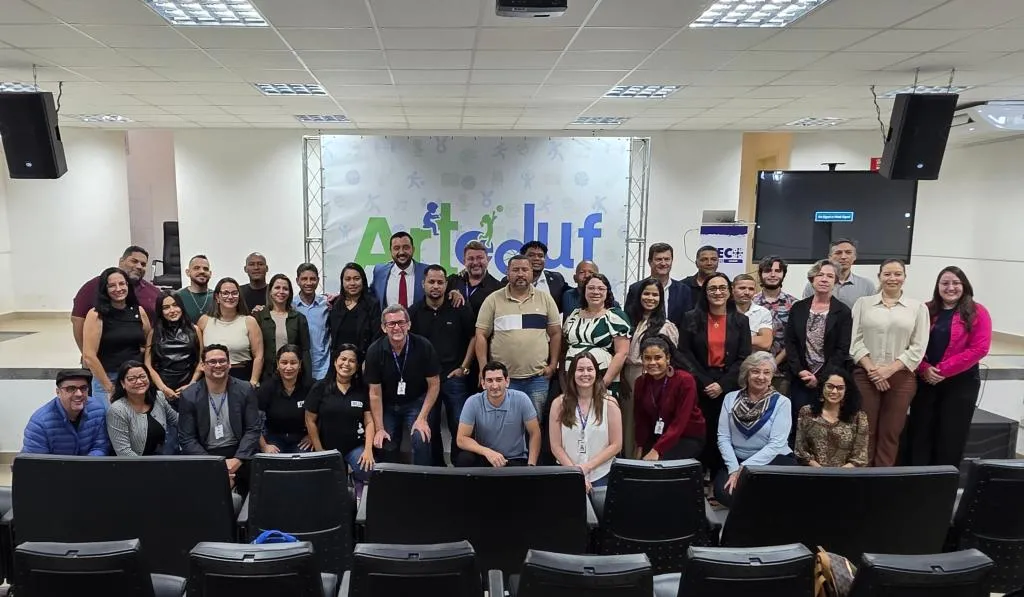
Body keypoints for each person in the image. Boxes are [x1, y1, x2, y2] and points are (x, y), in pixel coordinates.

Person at [907, 266, 992, 467]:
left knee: (951, 437)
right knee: (920, 434)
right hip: (926, 381)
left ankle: (942, 488)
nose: (950, 287)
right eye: (945, 283)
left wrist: (943, 370)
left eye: (956, 283)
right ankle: (916, 486)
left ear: (964, 285)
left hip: (960, 384)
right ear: (937, 286)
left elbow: (980, 348)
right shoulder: (925, 310)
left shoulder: (978, 311)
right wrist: (924, 368)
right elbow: (911, 343)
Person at [850, 259, 930, 467]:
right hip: (866, 375)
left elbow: (918, 347)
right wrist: (873, 371)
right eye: (887, 274)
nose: (892, 278)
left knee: (890, 432)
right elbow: (855, 342)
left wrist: (889, 370)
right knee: (865, 431)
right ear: (879, 276)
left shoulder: (918, 308)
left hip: (901, 377)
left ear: (904, 277)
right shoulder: (863, 304)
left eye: (897, 274)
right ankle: (862, 480)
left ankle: (882, 482)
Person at [677, 272, 752, 479]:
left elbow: (744, 357)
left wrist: (722, 384)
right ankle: (696, 476)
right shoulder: (691, 317)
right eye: (712, 288)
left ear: (729, 292)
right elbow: (683, 353)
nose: (717, 292)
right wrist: (705, 381)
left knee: (724, 433)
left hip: (728, 384)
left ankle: (719, 476)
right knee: (700, 432)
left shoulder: (740, 321)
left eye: (722, 288)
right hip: (699, 383)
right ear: (705, 292)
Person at [475, 254, 562, 421]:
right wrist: (483, 368)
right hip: (503, 380)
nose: (520, 274)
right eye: (515, 270)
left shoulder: (545, 299)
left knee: (534, 425)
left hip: (537, 379)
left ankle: (532, 449)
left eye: (524, 269)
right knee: (504, 423)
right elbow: (480, 335)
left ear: (531, 272)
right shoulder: (493, 300)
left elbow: (556, 333)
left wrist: (552, 365)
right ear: (507, 273)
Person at [409, 264, 476, 465]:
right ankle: (437, 466)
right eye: (431, 282)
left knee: (459, 424)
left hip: (453, 377)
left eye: (440, 282)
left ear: (446, 284)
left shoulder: (459, 307)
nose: (436, 286)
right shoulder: (414, 312)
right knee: (430, 424)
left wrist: (464, 367)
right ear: (423, 284)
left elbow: (474, 337)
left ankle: (460, 463)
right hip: (426, 381)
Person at [178, 344, 262, 494]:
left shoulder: (245, 389)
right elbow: (187, 439)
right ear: (203, 366)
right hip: (205, 454)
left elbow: (253, 429)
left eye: (222, 361)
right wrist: (215, 465)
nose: (218, 365)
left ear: (229, 364)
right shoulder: (189, 395)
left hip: (239, 452)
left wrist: (237, 460)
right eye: (212, 362)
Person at [715, 352, 795, 507]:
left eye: (767, 372)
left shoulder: (782, 402)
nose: (761, 377)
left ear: (772, 376)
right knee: (725, 492)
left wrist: (744, 470)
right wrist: (733, 469)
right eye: (756, 371)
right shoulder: (730, 398)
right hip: (736, 459)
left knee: (770, 492)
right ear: (747, 374)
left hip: (773, 459)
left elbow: (776, 444)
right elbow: (723, 437)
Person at [365, 304, 441, 466]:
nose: (397, 327)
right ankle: (392, 484)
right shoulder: (374, 351)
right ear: (384, 328)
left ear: (409, 324)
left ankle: (423, 482)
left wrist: (422, 418)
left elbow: (434, 385)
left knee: (421, 437)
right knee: (384, 442)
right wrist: (379, 428)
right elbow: (375, 393)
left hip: (416, 402)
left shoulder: (423, 346)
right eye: (391, 324)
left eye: (401, 322)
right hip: (388, 404)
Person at [785, 259, 853, 435]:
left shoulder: (843, 312)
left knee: (825, 423)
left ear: (836, 282)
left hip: (829, 379)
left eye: (830, 276)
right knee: (799, 421)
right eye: (820, 275)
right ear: (812, 279)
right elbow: (790, 342)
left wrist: (821, 377)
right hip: (801, 376)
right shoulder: (798, 308)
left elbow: (842, 349)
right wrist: (800, 371)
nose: (824, 279)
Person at [305, 344, 375, 494]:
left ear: (357, 366)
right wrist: (319, 450)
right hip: (327, 447)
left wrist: (368, 450)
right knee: (330, 485)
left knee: (369, 470)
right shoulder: (320, 387)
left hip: (354, 447)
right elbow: (309, 420)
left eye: (352, 361)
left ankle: (357, 486)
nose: (346, 364)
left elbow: (369, 422)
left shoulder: (362, 389)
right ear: (335, 361)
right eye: (343, 359)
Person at [622, 277, 680, 456]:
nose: (650, 298)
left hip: (653, 377)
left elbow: (671, 357)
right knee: (628, 422)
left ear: (661, 299)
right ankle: (627, 460)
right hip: (628, 376)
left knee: (647, 421)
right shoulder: (629, 321)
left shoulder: (666, 326)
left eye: (655, 295)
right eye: (646, 293)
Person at [549, 352, 622, 489]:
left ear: (596, 373)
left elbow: (616, 445)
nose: (585, 374)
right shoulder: (558, 404)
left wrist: (586, 467)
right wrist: (576, 472)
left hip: (601, 474)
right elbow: (555, 446)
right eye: (580, 370)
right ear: (572, 373)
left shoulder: (610, 404)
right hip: (568, 471)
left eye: (590, 369)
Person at [82, 267, 152, 406]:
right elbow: (89, 355)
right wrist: (110, 388)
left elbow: (148, 342)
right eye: (112, 285)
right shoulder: (96, 314)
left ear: (128, 285)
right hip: (108, 380)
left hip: (135, 379)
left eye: (122, 283)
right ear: (104, 289)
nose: (118, 288)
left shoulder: (139, 311)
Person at [72, 246, 160, 351]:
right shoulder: (93, 287)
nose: (139, 266)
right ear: (121, 261)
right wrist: (86, 354)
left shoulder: (153, 293)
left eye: (143, 264)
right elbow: (78, 320)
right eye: (134, 261)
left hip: (138, 355)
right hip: (104, 355)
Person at [634, 336, 706, 462]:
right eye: (647, 358)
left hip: (686, 435)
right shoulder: (640, 382)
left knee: (660, 465)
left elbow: (681, 421)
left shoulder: (685, 380)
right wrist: (640, 445)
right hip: (657, 435)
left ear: (668, 358)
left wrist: (657, 449)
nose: (652, 363)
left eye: (658, 357)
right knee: (640, 465)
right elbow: (641, 419)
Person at [455, 361, 541, 467]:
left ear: (507, 381)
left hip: (515, 459)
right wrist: (487, 452)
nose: (495, 385)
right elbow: (461, 439)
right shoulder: (473, 402)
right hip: (485, 457)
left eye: (499, 380)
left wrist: (531, 465)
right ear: (483, 383)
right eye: (489, 380)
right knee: (464, 458)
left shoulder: (522, 399)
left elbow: (535, 433)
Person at [562, 273, 632, 394]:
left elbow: (622, 353)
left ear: (607, 292)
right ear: (584, 291)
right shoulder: (573, 315)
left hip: (603, 381)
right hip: (572, 382)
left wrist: (603, 384)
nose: (595, 292)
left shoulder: (615, 316)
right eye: (591, 288)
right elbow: (564, 349)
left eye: (601, 288)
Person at [22, 369, 108, 456]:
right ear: (58, 392)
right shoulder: (40, 423)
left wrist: (84, 466)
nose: (79, 394)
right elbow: (36, 463)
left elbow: (100, 447)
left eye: (83, 388)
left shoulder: (97, 410)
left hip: (89, 466)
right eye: (71, 389)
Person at [794, 368, 869, 468]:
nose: (834, 391)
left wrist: (837, 476)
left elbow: (860, 457)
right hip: (814, 475)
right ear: (822, 387)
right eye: (830, 386)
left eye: (840, 388)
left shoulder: (858, 417)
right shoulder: (807, 412)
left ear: (847, 390)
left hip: (846, 476)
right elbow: (801, 451)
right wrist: (822, 473)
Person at [198, 278, 263, 387]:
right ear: (217, 297)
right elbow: (199, 355)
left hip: (241, 376)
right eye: (225, 293)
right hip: (211, 377)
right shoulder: (204, 321)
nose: (230, 297)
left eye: (234, 293)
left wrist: (253, 381)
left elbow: (259, 356)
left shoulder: (249, 322)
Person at [106, 360, 179, 456]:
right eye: (132, 379)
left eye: (142, 376)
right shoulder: (117, 410)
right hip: (130, 465)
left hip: (158, 460)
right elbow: (124, 452)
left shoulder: (158, 397)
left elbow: (178, 420)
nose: (139, 381)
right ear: (123, 383)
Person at [146, 291, 203, 409]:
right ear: (160, 311)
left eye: (175, 305)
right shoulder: (154, 332)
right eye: (166, 308)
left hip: (190, 387)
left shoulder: (195, 330)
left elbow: (202, 360)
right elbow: (148, 364)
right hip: (162, 390)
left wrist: (192, 384)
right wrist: (163, 388)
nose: (172, 310)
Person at [254, 274, 312, 382]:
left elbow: (305, 351)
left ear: (289, 293)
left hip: (293, 376)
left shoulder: (299, 318)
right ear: (270, 291)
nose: (281, 291)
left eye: (285, 289)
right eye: (277, 288)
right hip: (266, 377)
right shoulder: (259, 317)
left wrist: (308, 379)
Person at [753, 255, 799, 392]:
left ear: (783, 274)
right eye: (767, 271)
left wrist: (774, 364)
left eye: (778, 271)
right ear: (760, 274)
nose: (773, 275)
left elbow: (794, 339)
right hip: (752, 370)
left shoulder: (795, 304)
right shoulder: (750, 303)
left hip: (782, 372)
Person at [258, 344, 313, 454]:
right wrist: (264, 446)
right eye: (284, 363)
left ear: (300, 364)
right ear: (278, 364)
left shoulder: (311, 387)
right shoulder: (266, 388)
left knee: (302, 462)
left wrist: (312, 437)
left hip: (302, 437)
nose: (288, 367)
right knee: (275, 462)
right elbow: (252, 419)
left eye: (293, 363)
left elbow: (322, 416)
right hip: (274, 437)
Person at [624, 243, 692, 329]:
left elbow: (687, 324)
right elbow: (629, 321)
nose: (663, 263)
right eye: (659, 259)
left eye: (667, 259)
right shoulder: (636, 289)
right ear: (650, 262)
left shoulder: (683, 290)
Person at [328, 262, 382, 363]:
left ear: (363, 280)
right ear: (342, 282)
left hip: (364, 362)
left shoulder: (372, 304)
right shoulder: (335, 304)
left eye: (356, 279)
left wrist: (369, 361)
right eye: (347, 279)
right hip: (339, 363)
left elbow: (377, 338)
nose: (352, 283)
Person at [802, 238, 876, 308]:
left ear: (854, 257)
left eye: (848, 252)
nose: (843, 257)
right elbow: (805, 311)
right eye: (838, 253)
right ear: (830, 257)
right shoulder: (814, 284)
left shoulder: (867, 285)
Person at [370, 232, 429, 309]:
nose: (401, 252)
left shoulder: (427, 271)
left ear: (413, 249)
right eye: (396, 248)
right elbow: (370, 294)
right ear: (391, 251)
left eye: (406, 247)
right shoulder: (379, 271)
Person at [294, 263, 331, 381]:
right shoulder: (290, 306)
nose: (309, 283)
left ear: (318, 280)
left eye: (313, 279)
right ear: (297, 281)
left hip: (323, 368)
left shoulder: (327, 304)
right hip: (298, 369)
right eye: (304, 279)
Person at [446, 240, 502, 316]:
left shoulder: (498, 288)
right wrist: (449, 293)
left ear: (487, 260)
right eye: (470, 258)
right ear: (464, 261)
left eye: (480, 258)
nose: (475, 262)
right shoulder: (452, 281)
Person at [520, 240, 568, 312]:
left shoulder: (557, 279)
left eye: (540, 256)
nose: (536, 258)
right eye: (531, 255)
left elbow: (573, 294)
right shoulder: (511, 280)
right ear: (522, 258)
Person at [732, 274, 774, 352]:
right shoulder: (723, 310)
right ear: (732, 289)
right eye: (742, 288)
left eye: (751, 289)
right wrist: (755, 339)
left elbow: (766, 343)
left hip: (752, 361)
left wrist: (731, 340)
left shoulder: (763, 313)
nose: (747, 292)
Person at [177, 255, 215, 323]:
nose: (202, 271)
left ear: (210, 274)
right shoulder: (177, 296)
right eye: (196, 268)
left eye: (205, 269)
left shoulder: (217, 297)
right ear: (188, 272)